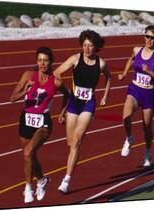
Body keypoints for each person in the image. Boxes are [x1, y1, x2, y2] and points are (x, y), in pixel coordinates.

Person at [53, 30, 111, 193]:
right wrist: (62, 87)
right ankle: (75, 154)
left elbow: (108, 77)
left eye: (90, 46)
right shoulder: (75, 59)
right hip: (73, 103)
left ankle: (66, 180)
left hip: (88, 104)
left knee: (77, 140)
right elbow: (57, 72)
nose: (87, 49)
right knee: (70, 142)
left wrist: (105, 96)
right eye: (84, 45)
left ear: (96, 47)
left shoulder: (101, 64)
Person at [10, 47, 69, 203]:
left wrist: (62, 113)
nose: (42, 63)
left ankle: (28, 187)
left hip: (43, 122)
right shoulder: (28, 75)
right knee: (30, 157)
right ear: (36, 61)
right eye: (40, 60)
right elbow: (12, 98)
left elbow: (67, 95)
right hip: (26, 120)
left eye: (46, 60)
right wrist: (25, 91)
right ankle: (42, 180)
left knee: (28, 152)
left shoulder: (56, 81)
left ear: (51, 62)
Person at [119, 25, 154, 167]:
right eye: (147, 36)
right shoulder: (136, 49)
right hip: (134, 89)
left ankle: (147, 152)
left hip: (148, 93)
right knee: (126, 116)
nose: (149, 40)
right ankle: (129, 138)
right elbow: (131, 59)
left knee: (146, 126)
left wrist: (150, 72)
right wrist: (125, 72)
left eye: (152, 38)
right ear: (144, 36)